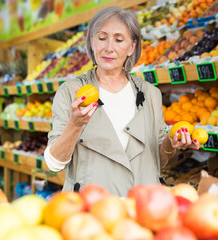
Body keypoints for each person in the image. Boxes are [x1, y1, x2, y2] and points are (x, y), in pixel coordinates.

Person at [44, 6, 200, 196]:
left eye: (119, 40)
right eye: (102, 38)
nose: (108, 48)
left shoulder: (151, 94)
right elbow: (53, 164)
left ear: (131, 47)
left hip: (142, 207)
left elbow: (157, 161)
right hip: (91, 210)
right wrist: (75, 125)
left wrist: (170, 142)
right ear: (92, 42)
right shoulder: (71, 92)